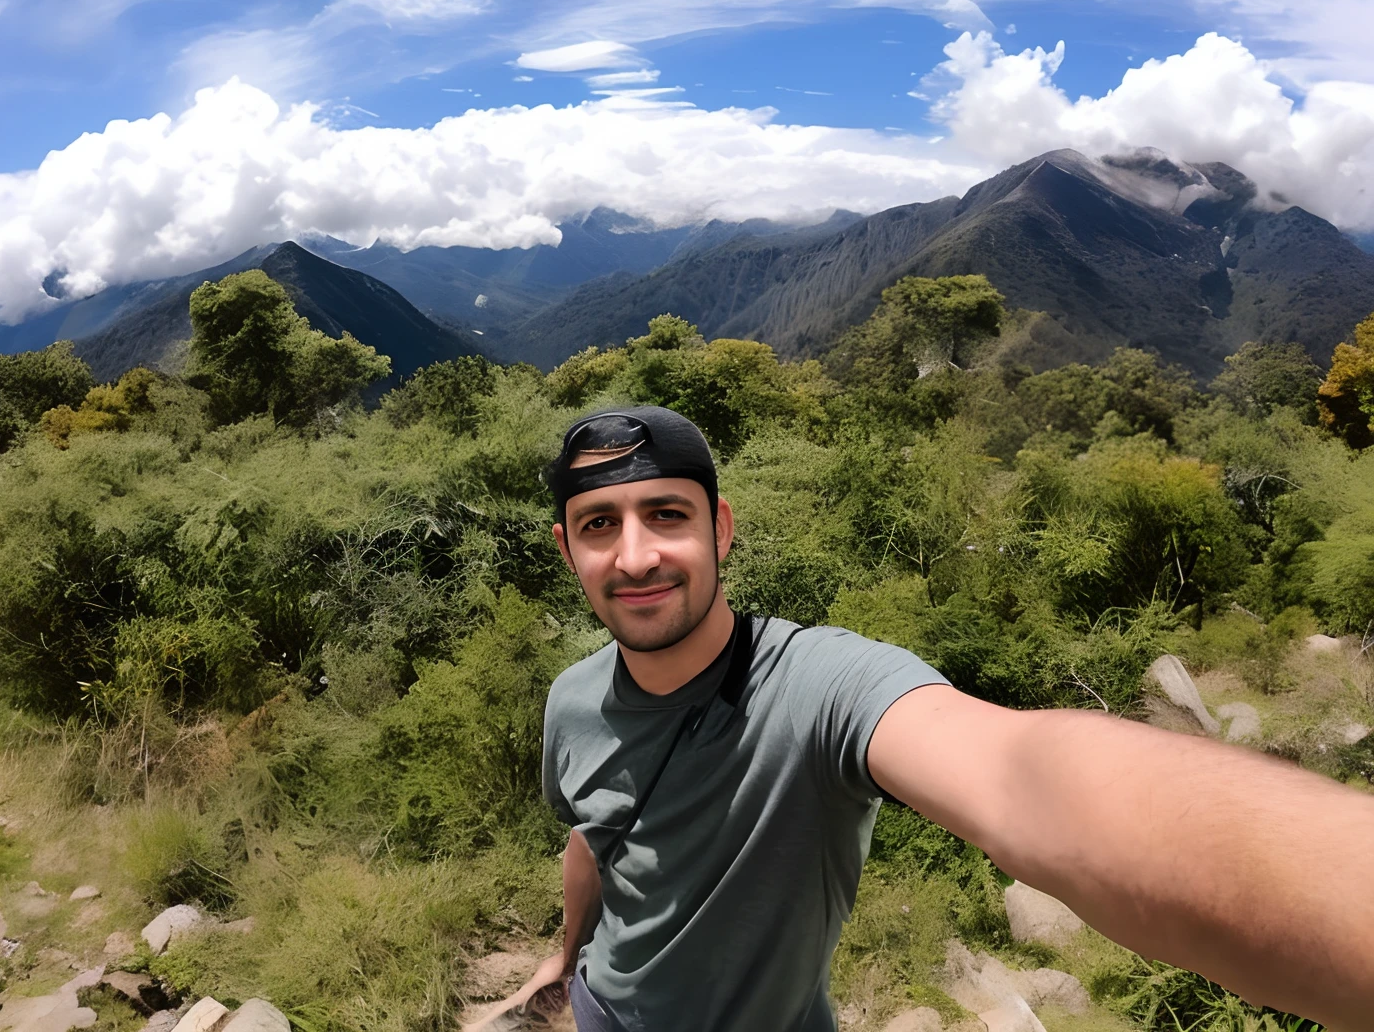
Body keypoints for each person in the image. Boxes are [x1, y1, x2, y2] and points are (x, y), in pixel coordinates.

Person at [491, 406, 1374, 1032]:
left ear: (720, 528)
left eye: (667, 514)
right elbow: (592, 840)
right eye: (599, 524)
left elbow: (1021, 775)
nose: (636, 554)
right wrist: (564, 960)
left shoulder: (819, 684)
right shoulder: (572, 701)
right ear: (567, 549)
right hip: (604, 1011)